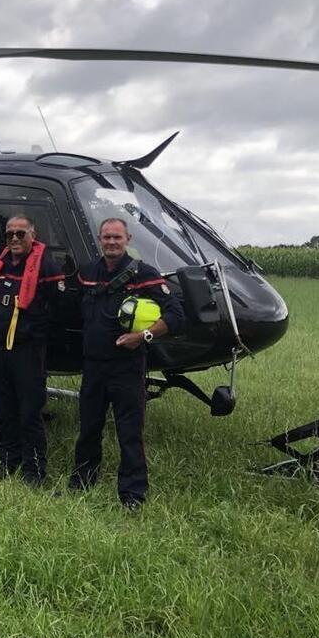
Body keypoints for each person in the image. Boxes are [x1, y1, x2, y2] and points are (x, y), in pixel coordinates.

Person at [70, 217, 184, 509]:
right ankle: (82, 480)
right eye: (107, 237)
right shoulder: (87, 273)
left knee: (129, 431)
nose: (111, 242)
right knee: (89, 428)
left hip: (127, 367)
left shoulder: (143, 274)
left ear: (127, 239)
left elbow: (175, 315)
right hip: (93, 365)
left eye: (117, 237)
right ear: (99, 238)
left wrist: (142, 336)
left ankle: (132, 493)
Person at [0, 215, 64, 485]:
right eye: (10, 234)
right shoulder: (1, 263)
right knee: (3, 408)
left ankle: (35, 469)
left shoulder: (46, 267)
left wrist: (34, 333)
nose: (15, 239)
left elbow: (59, 308)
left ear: (33, 235)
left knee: (30, 411)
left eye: (20, 234)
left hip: (28, 351)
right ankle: (8, 458)